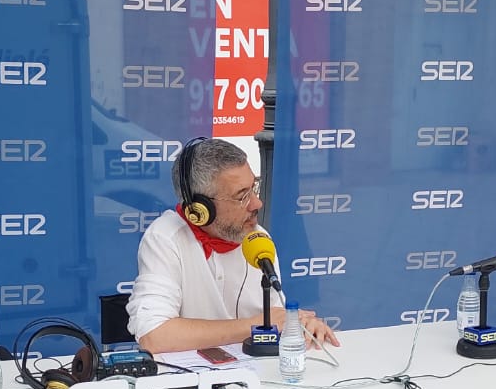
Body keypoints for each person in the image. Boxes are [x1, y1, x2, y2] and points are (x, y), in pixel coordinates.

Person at [127, 138, 339, 354]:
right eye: (242, 196)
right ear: (201, 209)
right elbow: (154, 336)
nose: (257, 203)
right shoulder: (165, 238)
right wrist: (254, 325)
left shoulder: (258, 238)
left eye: (254, 188)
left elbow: (275, 324)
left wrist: (298, 327)